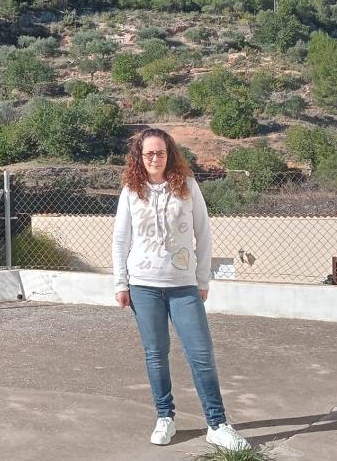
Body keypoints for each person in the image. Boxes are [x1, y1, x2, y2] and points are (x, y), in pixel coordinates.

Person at [111, 127, 251, 451]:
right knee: (156, 354)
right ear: (139, 157)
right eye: (149, 153)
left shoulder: (187, 186)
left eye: (160, 152)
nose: (155, 158)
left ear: (169, 154)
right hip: (143, 286)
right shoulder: (131, 190)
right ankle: (165, 417)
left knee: (201, 354)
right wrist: (121, 283)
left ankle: (217, 424)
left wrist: (202, 280)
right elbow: (121, 239)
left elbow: (204, 233)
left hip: (183, 286)